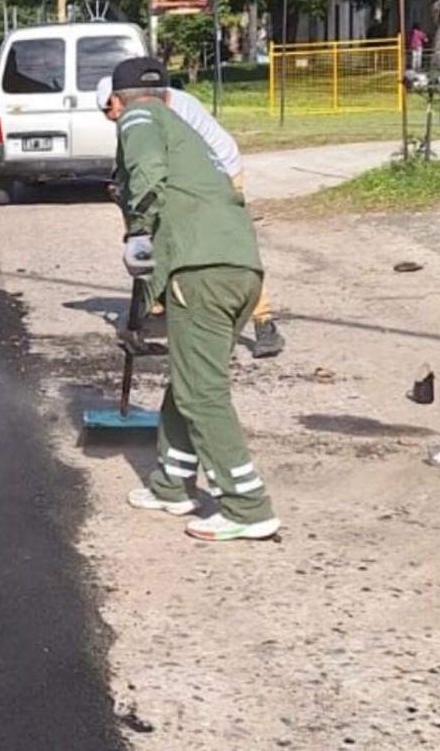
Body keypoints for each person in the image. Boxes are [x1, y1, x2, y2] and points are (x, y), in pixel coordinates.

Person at [108, 57, 280, 542]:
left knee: (202, 394)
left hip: (201, 271)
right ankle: (173, 483)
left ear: (117, 102)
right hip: (239, 269)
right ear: (168, 94)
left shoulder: (139, 118)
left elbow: (147, 173)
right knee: (190, 378)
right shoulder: (183, 129)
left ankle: (247, 505)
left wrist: (139, 234)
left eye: (110, 107)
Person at [98, 75, 286, 359]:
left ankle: (264, 323)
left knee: (222, 249)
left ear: (118, 98)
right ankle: (161, 307)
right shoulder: (148, 108)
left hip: (220, 172)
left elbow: (160, 169)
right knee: (165, 238)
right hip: (197, 174)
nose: (111, 118)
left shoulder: (162, 111)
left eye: (108, 110)